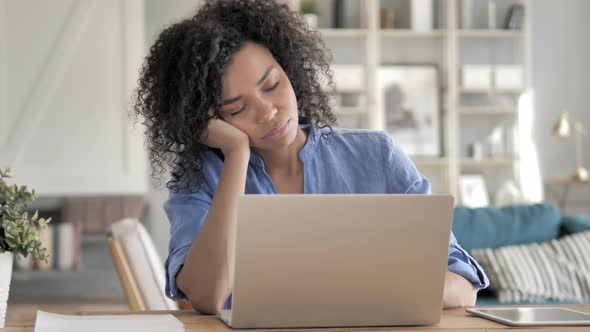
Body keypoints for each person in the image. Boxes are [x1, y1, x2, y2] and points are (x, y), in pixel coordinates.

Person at [134, 0, 489, 315]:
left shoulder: (376, 156)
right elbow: (207, 297)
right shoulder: (202, 175)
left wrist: (369, 296)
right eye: (237, 108)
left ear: (290, 69)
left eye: (272, 85)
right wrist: (236, 155)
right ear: (208, 119)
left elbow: (462, 282)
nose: (269, 112)